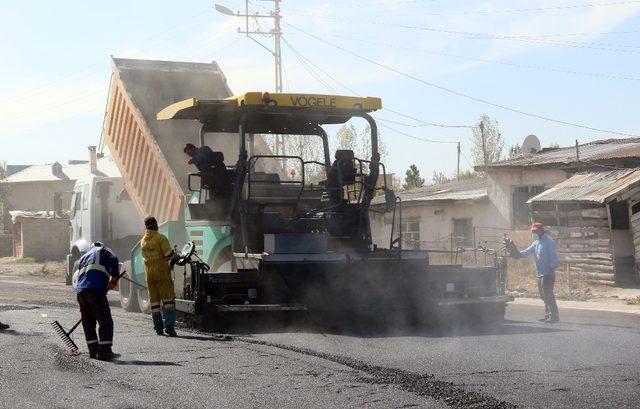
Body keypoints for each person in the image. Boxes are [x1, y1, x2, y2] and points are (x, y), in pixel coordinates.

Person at [505, 222, 560, 323]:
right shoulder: (536, 242)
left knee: (548, 294)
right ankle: (548, 315)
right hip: (539, 273)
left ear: (541, 230)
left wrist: (550, 271)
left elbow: (553, 258)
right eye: (532, 231)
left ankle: (554, 316)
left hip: (547, 273)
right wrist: (514, 252)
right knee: (543, 295)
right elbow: (525, 253)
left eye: (535, 231)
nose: (533, 233)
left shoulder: (549, 241)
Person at [74, 242, 120, 360]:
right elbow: (114, 258)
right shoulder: (103, 249)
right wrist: (115, 276)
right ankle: (104, 352)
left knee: (88, 321)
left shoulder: (84, 257)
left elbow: (85, 274)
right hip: (95, 289)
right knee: (105, 320)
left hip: (81, 291)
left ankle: (93, 351)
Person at [140, 216, 177, 337]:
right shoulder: (160, 238)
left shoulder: (143, 241)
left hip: (149, 275)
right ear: (156, 225)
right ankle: (169, 327)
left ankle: (158, 328)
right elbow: (169, 254)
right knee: (168, 301)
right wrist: (176, 256)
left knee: (154, 303)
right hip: (161, 273)